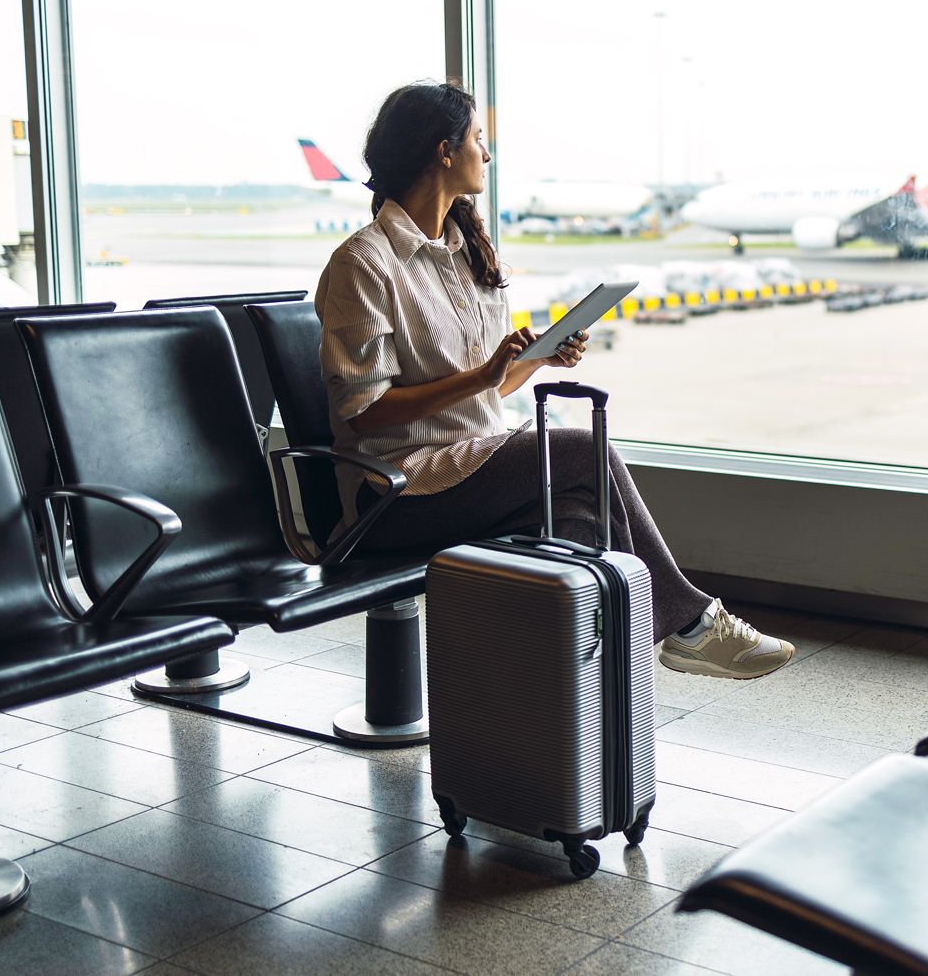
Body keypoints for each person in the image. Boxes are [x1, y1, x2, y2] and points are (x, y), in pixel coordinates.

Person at [314, 80, 795, 680]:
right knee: (584, 448)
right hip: (394, 491)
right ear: (443, 150)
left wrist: (535, 359)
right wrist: (481, 376)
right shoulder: (364, 264)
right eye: (477, 140)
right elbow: (366, 413)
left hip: (467, 467)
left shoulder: (464, 252)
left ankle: (567, 711)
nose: (485, 155)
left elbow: (483, 392)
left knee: (578, 516)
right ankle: (688, 625)